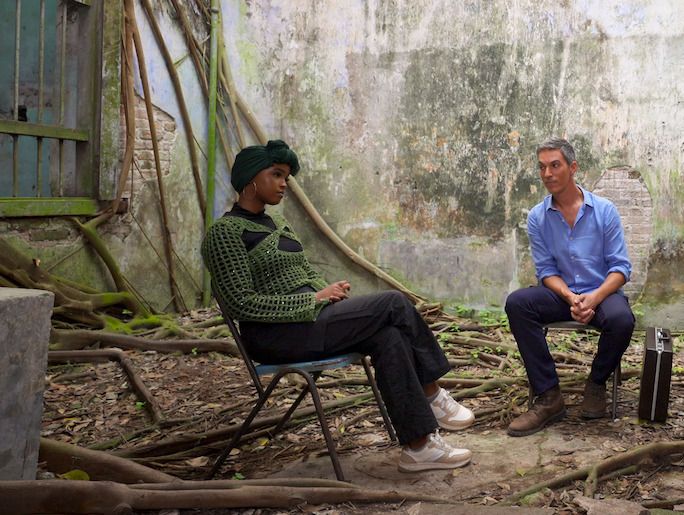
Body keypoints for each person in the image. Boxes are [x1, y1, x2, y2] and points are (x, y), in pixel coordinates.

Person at [201, 140, 475, 472]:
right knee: (394, 302)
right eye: (276, 175)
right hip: (275, 336)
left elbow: (304, 274)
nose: (283, 184)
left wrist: (327, 291)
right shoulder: (224, 233)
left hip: (311, 324)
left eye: (286, 176)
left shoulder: (277, 226)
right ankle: (432, 394)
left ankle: (419, 448)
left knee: (389, 335)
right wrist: (312, 299)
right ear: (249, 179)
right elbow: (240, 302)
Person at [504, 137, 636, 436]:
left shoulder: (604, 211)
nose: (547, 174)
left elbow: (620, 268)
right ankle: (549, 396)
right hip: (561, 293)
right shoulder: (538, 217)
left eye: (555, 165)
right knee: (518, 303)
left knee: (621, 319)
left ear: (572, 168)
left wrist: (593, 298)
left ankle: (597, 383)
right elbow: (546, 271)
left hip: (602, 293)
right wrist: (569, 296)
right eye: (542, 167)